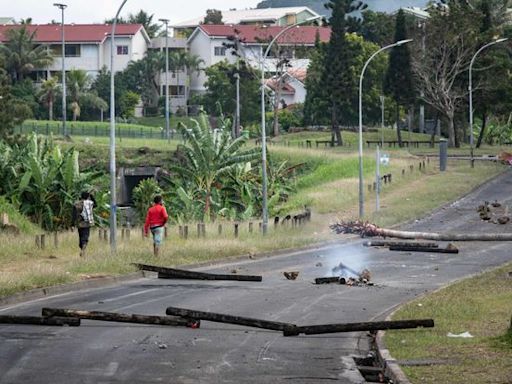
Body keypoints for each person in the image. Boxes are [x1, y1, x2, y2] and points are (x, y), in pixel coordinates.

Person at [72, 191, 95, 257]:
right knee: (85, 236)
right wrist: (92, 196)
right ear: (88, 197)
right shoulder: (89, 204)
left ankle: (82, 248)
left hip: (79, 224)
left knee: (81, 236)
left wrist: (72, 224)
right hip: (87, 223)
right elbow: (96, 204)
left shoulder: (76, 204)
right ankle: (83, 248)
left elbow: (73, 215)